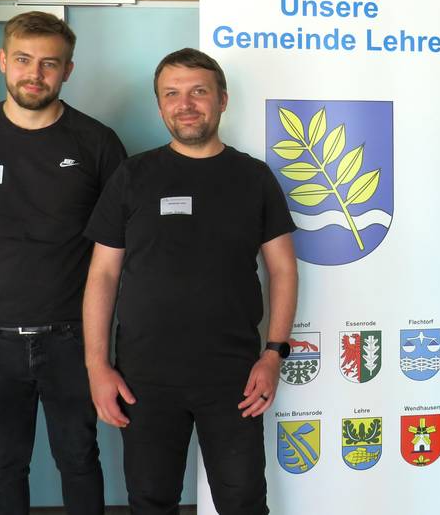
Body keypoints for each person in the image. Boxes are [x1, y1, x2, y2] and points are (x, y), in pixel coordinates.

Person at [0, 11, 127, 515]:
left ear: (67, 70)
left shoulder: (97, 144)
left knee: (79, 457)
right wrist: (3, 266)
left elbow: (119, 240)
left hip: (72, 336)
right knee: (2, 463)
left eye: (49, 63)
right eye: (23, 59)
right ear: (2, 61)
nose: (34, 73)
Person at [82, 47, 298, 515]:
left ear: (222, 99)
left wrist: (273, 353)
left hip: (233, 377)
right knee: (151, 501)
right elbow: (102, 274)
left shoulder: (253, 177)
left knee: (242, 502)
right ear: (160, 106)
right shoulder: (132, 176)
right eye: (172, 94)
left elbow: (282, 268)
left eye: (199, 91)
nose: (186, 104)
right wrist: (98, 367)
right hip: (144, 377)